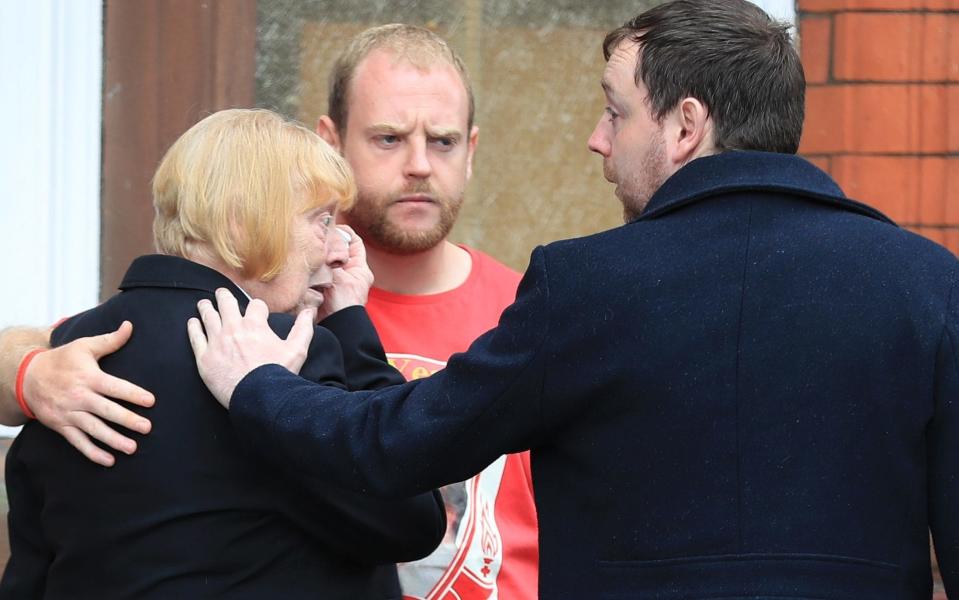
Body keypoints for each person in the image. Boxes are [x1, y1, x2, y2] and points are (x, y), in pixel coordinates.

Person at [188, 1, 959, 598]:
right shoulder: (927, 285)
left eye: (615, 112)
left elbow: (395, 445)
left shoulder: (587, 284)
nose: (596, 138)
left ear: (684, 126)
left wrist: (258, 387)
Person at [0, 23, 538, 600]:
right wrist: (24, 370)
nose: (419, 165)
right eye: (320, 219)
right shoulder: (290, 345)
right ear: (242, 223)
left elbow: (31, 572)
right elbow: (410, 517)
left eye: (443, 141)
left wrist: (33, 371)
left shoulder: (80, 356)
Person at [316, 24, 537, 599]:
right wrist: (44, 373)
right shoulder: (279, 304)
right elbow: (124, 346)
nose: (419, 164)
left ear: (471, 152)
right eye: (388, 138)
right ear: (330, 144)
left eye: (442, 141)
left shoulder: (532, 313)